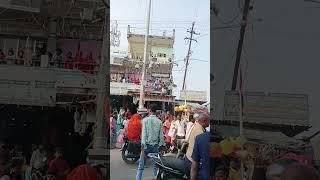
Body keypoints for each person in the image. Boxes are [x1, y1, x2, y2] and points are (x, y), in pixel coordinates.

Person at [136, 105, 164, 180]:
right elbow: (161, 136)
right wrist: (161, 146)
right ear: (155, 112)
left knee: (140, 167)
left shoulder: (145, 120)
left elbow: (144, 134)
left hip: (146, 146)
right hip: (155, 147)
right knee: (155, 167)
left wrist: (143, 147)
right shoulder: (159, 122)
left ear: (149, 110)